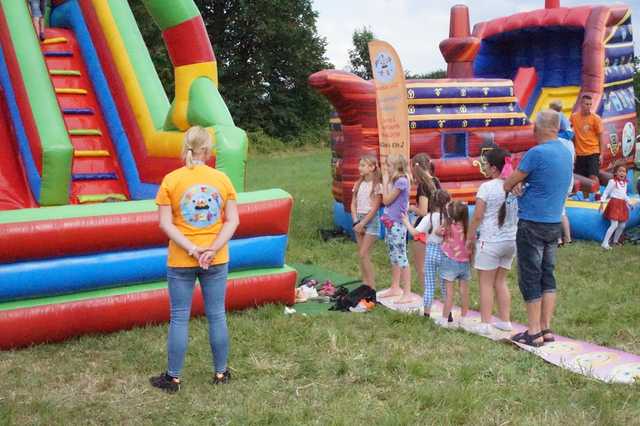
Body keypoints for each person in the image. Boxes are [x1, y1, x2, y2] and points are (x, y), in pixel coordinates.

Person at [150, 126, 239, 393]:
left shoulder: (171, 180)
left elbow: (165, 224)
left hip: (181, 260)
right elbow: (232, 220)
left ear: (185, 148)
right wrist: (211, 249)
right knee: (217, 315)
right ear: (208, 150)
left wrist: (192, 249)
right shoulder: (222, 179)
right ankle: (221, 373)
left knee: (179, 317)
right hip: (216, 258)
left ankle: (173, 378)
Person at [504, 110, 572, 347]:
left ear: (539, 128)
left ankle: (532, 332)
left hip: (532, 222)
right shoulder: (565, 152)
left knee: (530, 276)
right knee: (547, 275)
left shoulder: (536, 153)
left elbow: (508, 182)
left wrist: (518, 184)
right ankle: (546, 328)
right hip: (554, 222)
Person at [466, 148, 518, 335]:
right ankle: (505, 320)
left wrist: (470, 237)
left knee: (485, 283)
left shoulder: (486, 188)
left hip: (490, 240)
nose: (484, 168)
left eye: (486, 164)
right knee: (500, 281)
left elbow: (478, 216)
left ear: (494, 168)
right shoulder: (515, 186)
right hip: (511, 240)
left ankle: (485, 323)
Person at [402, 189, 450, 317]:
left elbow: (415, 233)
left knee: (429, 284)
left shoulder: (429, 217)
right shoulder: (449, 218)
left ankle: (427, 313)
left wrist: (406, 222)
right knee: (446, 285)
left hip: (431, 251)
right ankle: (448, 313)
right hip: (445, 253)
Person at [378, 153, 418, 304]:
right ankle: (395, 286)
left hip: (398, 224)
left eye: (388, 165)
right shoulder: (397, 181)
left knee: (401, 257)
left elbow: (387, 200)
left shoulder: (401, 181)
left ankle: (406, 292)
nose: (386, 168)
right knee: (393, 255)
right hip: (391, 222)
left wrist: (385, 183)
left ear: (396, 166)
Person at [408, 154, 440, 295]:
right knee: (430, 265)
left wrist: (410, 208)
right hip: (435, 225)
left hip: (422, 227)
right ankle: (431, 293)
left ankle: (427, 296)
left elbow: (422, 210)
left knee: (421, 266)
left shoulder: (423, 186)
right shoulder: (436, 181)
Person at [436, 201, 471, 327]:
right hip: (465, 263)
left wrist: (444, 222)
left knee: (449, 293)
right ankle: (464, 318)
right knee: (464, 292)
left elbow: (437, 232)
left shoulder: (449, 227)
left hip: (450, 262)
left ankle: (445, 319)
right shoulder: (468, 229)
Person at [350, 154, 383, 288]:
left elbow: (375, 208)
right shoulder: (358, 183)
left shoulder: (377, 186)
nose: (360, 168)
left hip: (371, 221)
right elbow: (353, 204)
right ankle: (365, 283)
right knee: (363, 255)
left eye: (363, 165)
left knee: (363, 253)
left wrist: (363, 223)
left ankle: (372, 287)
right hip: (358, 220)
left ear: (372, 167)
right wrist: (356, 222)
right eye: (360, 165)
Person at [550, 102, 576, 246]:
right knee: (562, 209)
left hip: (558, 178)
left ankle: (558, 238)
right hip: (568, 177)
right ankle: (567, 237)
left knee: (556, 209)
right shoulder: (570, 143)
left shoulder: (557, 141)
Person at [570, 94, 604, 197]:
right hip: (579, 153)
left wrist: (601, 154)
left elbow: (600, 137)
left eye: (590, 104)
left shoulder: (595, 118)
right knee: (583, 179)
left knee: (593, 176)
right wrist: (573, 151)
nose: (589, 106)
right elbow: (571, 135)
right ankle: (586, 199)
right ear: (581, 104)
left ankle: (598, 197)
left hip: (593, 151)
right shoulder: (574, 117)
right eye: (586, 104)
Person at [599, 162, 631, 249]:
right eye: (620, 171)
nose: (622, 173)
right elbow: (606, 193)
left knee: (622, 225)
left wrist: (629, 203)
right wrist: (602, 202)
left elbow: (624, 195)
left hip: (622, 205)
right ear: (615, 173)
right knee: (614, 224)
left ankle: (615, 241)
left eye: (624, 171)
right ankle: (605, 243)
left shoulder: (625, 183)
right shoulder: (612, 182)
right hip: (614, 204)